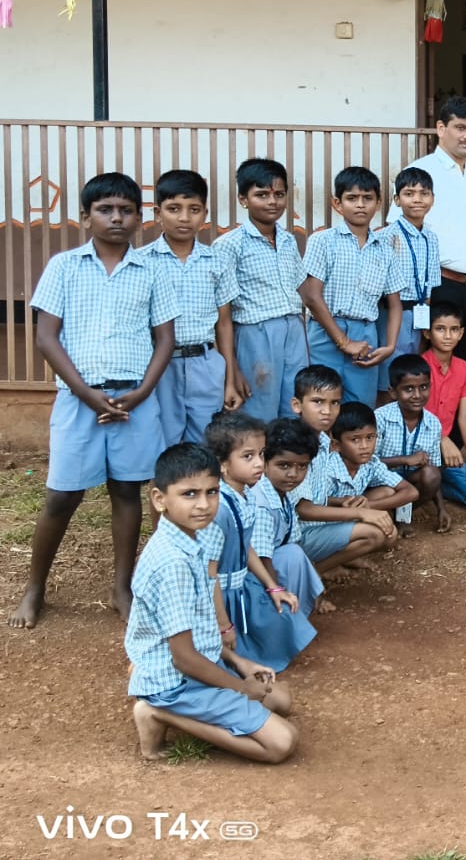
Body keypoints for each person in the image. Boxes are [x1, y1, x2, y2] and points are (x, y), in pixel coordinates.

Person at [9, 172, 179, 630]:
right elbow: (46, 337)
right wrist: (85, 393)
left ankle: (121, 587)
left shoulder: (152, 271)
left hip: (133, 399)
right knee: (62, 494)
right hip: (78, 397)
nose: (116, 218)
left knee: (127, 490)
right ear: (86, 217)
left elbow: (165, 339)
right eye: (105, 210)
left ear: (139, 218)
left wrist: (142, 392)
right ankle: (35, 587)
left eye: (126, 210)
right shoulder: (64, 266)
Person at [126, 442, 298, 763]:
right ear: (159, 499)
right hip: (175, 681)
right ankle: (157, 712)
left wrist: (238, 662)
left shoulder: (194, 538)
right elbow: (183, 658)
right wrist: (239, 687)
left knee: (281, 700)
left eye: (212, 492)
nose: (204, 504)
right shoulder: (173, 563)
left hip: (196, 662)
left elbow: (199, 626)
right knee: (282, 743)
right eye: (189, 494)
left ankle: (182, 705)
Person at [396, 97, 466, 396]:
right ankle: (431, 427)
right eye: (460, 128)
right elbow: (401, 235)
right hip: (437, 286)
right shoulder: (420, 173)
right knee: (428, 370)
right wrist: (419, 294)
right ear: (440, 128)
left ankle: (459, 428)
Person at [202, 411, 313, 675]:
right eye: (248, 456)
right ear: (223, 464)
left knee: (284, 618)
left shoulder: (247, 496)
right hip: (215, 596)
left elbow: (246, 547)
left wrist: (273, 587)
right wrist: (222, 624)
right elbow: (209, 573)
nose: (259, 464)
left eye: (261, 454)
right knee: (220, 663)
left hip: (239, 587)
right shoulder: (219, 508)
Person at [143, 168, 242, 445]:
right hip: (160, 365)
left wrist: (229, 379)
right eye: (174, 209)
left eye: (194, 209)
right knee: (163, 441)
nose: (184, 218)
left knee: (205, 440)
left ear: (205, 214)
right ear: (158, 213)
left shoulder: (217, 261)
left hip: (205, 363)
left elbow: (224, 323)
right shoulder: (142, 261)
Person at [212, 158, 307, 422]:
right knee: (259, 414)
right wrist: (232, 371)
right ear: (243, 199)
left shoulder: (288, 240)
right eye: (262, 195)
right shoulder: (230, 245)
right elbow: (222, 316)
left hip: (293, 330)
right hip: (255, 335)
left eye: (279, 194)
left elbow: (299, 291)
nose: (272, 202)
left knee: (294, 411)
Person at [300, 166, 401, 409]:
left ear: (378, 203)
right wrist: (343, 342)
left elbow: (394, 304)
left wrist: (389, 346)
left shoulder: (385, 250)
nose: (360, 205)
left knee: (360, 408)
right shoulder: (323, 241)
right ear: (337, 203)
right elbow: (312, 296)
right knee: (320, 405)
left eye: (367, 198)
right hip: (325, 331)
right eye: (352, 198)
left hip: (365, 335)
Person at [294, 397, 402, 578]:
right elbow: (305, 509)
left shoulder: (323, 446)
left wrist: (357, 505)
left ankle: (340, 558)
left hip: (328, 519)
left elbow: (410, 491)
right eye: (355, 439)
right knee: (377, 534)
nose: (364, 446)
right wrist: (361, 512)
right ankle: (315, 573)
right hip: (305, 531)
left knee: (389, 532)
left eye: (370, 437)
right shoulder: (322, 460)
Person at [248, 418, 328, 621]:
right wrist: (277, 591)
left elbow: (292, 542)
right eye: (284, 465)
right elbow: (262, 559)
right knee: (292, 556)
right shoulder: (261, 503)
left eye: (302, 466)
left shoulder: (282, 493)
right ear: (265, 461)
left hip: (272, 565)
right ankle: (282, 619)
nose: (293, 474)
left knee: (294, 554)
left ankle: (292, 616)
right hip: (253, 576)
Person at [376, 166, 441, 396]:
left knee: (412, 372)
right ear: (397, 200)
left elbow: (431, 285)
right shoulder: (386, 236)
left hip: (419, 313)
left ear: (432, 199)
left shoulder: (431, 238)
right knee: (390, 375)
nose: (417, 199)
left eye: (424, 193)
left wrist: (425, 321)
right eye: (409, 193)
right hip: (392, 313)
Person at [422, 301, 466, 509]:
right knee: (418, 476)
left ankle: (433, 489)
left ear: (461, 334)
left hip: (444, 454)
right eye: (440, 329)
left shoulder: (464, 369)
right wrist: (441, 438)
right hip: (419, 450)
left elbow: (464, 416)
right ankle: (425, 486)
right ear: (427, 333)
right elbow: (413, 413)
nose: (447, 336)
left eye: (454, 330)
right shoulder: (419, 367)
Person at [375, 354, 448, 535]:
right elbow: (367, 463)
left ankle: (400, 515)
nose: (417, 395)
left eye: (423, 387)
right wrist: (405, 460)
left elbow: (433, 470)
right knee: (386, 492)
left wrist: (441, 509)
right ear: (393, 392)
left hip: (410, 485)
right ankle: (388, 513)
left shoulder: (433, 424)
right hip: (382, 483)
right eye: (408, 389)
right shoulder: (380, 418)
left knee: (431, 474)